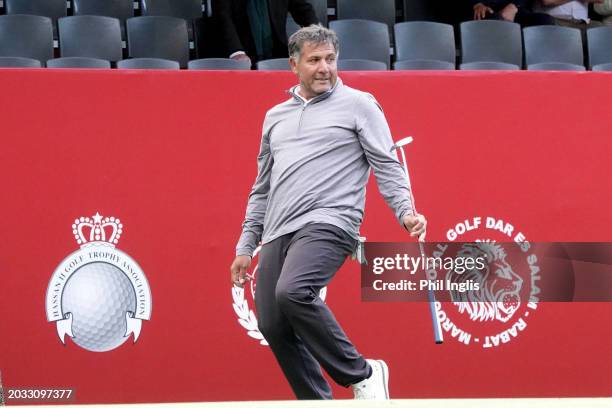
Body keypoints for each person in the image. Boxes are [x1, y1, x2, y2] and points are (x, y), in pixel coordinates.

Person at [230, 25, 427, 400]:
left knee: (294, 291)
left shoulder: (360, 104)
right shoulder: (275, 116)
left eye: (331, 59)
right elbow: (262, 187)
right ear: (293, 64)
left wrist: (405, 211)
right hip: (277, 229)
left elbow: (386, 165)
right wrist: (246, 245)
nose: (325, 68)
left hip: (332, 221)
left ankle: (364, 374)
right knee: (272, 322)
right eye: (315, 60)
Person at [212, 0, 319, 65]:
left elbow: (303, 10)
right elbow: (223, 17)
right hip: (242, 53)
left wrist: (318, 35)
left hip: (276, 51)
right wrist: (237, 52)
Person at [468, 0, 555, 26]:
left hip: (514, 8)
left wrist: (514, 5)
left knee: (544, 20)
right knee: (494, 19)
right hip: (482, 9)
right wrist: (477, 4)